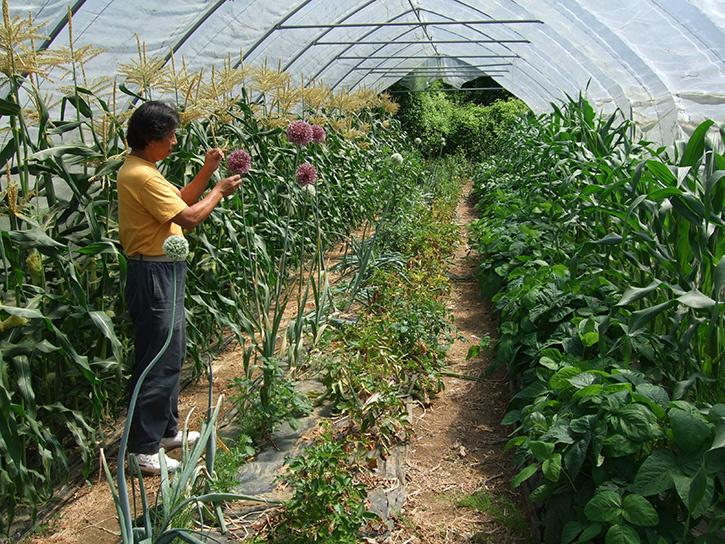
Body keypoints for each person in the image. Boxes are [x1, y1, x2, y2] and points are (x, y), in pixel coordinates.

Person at [117, 100, 241, 474]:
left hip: (163, 269)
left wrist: (207, 171)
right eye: (170, 136)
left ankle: (166, 429)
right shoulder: (141, 175)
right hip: (152, 273)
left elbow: (180, 201)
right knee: (157, 358)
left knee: (171, 352)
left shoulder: (145, 169)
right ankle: (143, 448)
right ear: (150, 138)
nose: (174, 142)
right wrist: (218, 192)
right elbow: (188, 218)